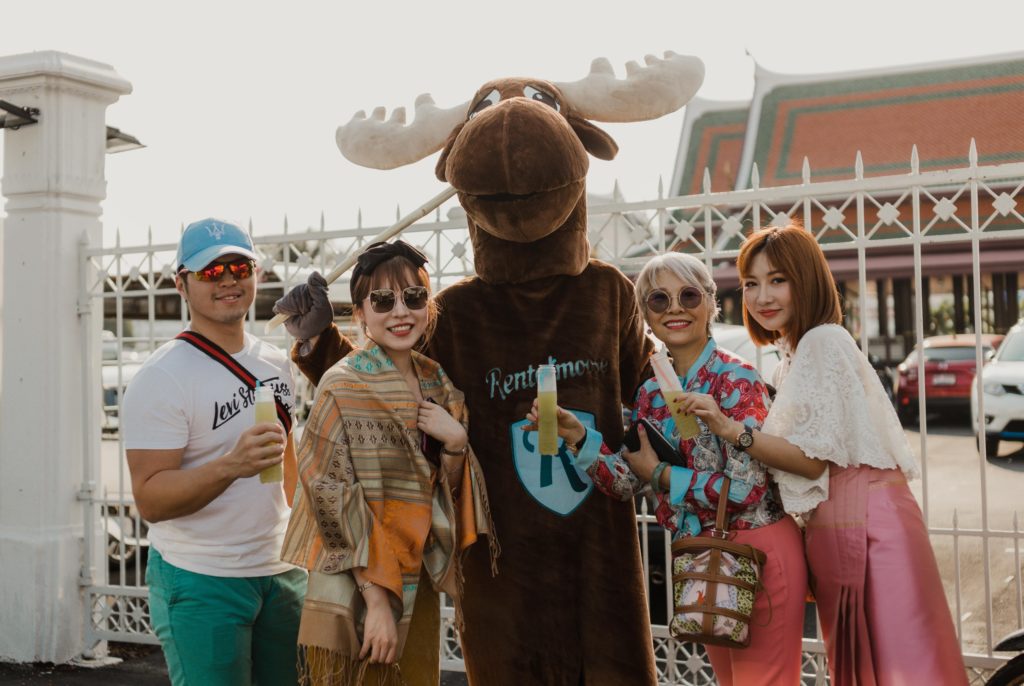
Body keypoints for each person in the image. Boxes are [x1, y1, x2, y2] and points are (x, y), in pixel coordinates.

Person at [680, 224, 968, 685]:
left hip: (870, 525)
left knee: (903, 666)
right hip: (842, 524)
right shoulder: (791, 355)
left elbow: (812, 460)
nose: (762, 296)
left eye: (778, 279)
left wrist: (730, 428)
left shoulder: (822, 342)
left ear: (807, 279)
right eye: (751, 284)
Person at [524, 252, 807, 685]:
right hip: (701, 556)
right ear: (645, 315)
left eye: (688, 295)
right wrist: (577, 438)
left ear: (710, 304)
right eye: (658, 299)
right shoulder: (650, 392)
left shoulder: (737, 380)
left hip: (757, 550)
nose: (674, 308)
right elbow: (623, 480)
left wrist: (661, 476)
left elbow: (745, 489)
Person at [278, 240, 497, 686]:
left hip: (418, 580)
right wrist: (375, 597)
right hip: (359, 582)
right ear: (360, 313)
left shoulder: (437, 381)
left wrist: (456, 444)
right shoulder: (342, 383)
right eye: (382, 300)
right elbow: (327, 491)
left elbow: (447, 494)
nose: (401, 312)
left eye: (414, 298)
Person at [122, 218, 305, 686]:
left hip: (281, 574)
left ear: (257, 273)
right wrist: (231, 466)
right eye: (209, 271)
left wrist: (303, 549)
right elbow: (151, 500)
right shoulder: (162, 376)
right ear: (181, 283)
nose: (227, 279)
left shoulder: (276, 362)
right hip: (201, 577)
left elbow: (288, 461)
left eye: (238, 266)